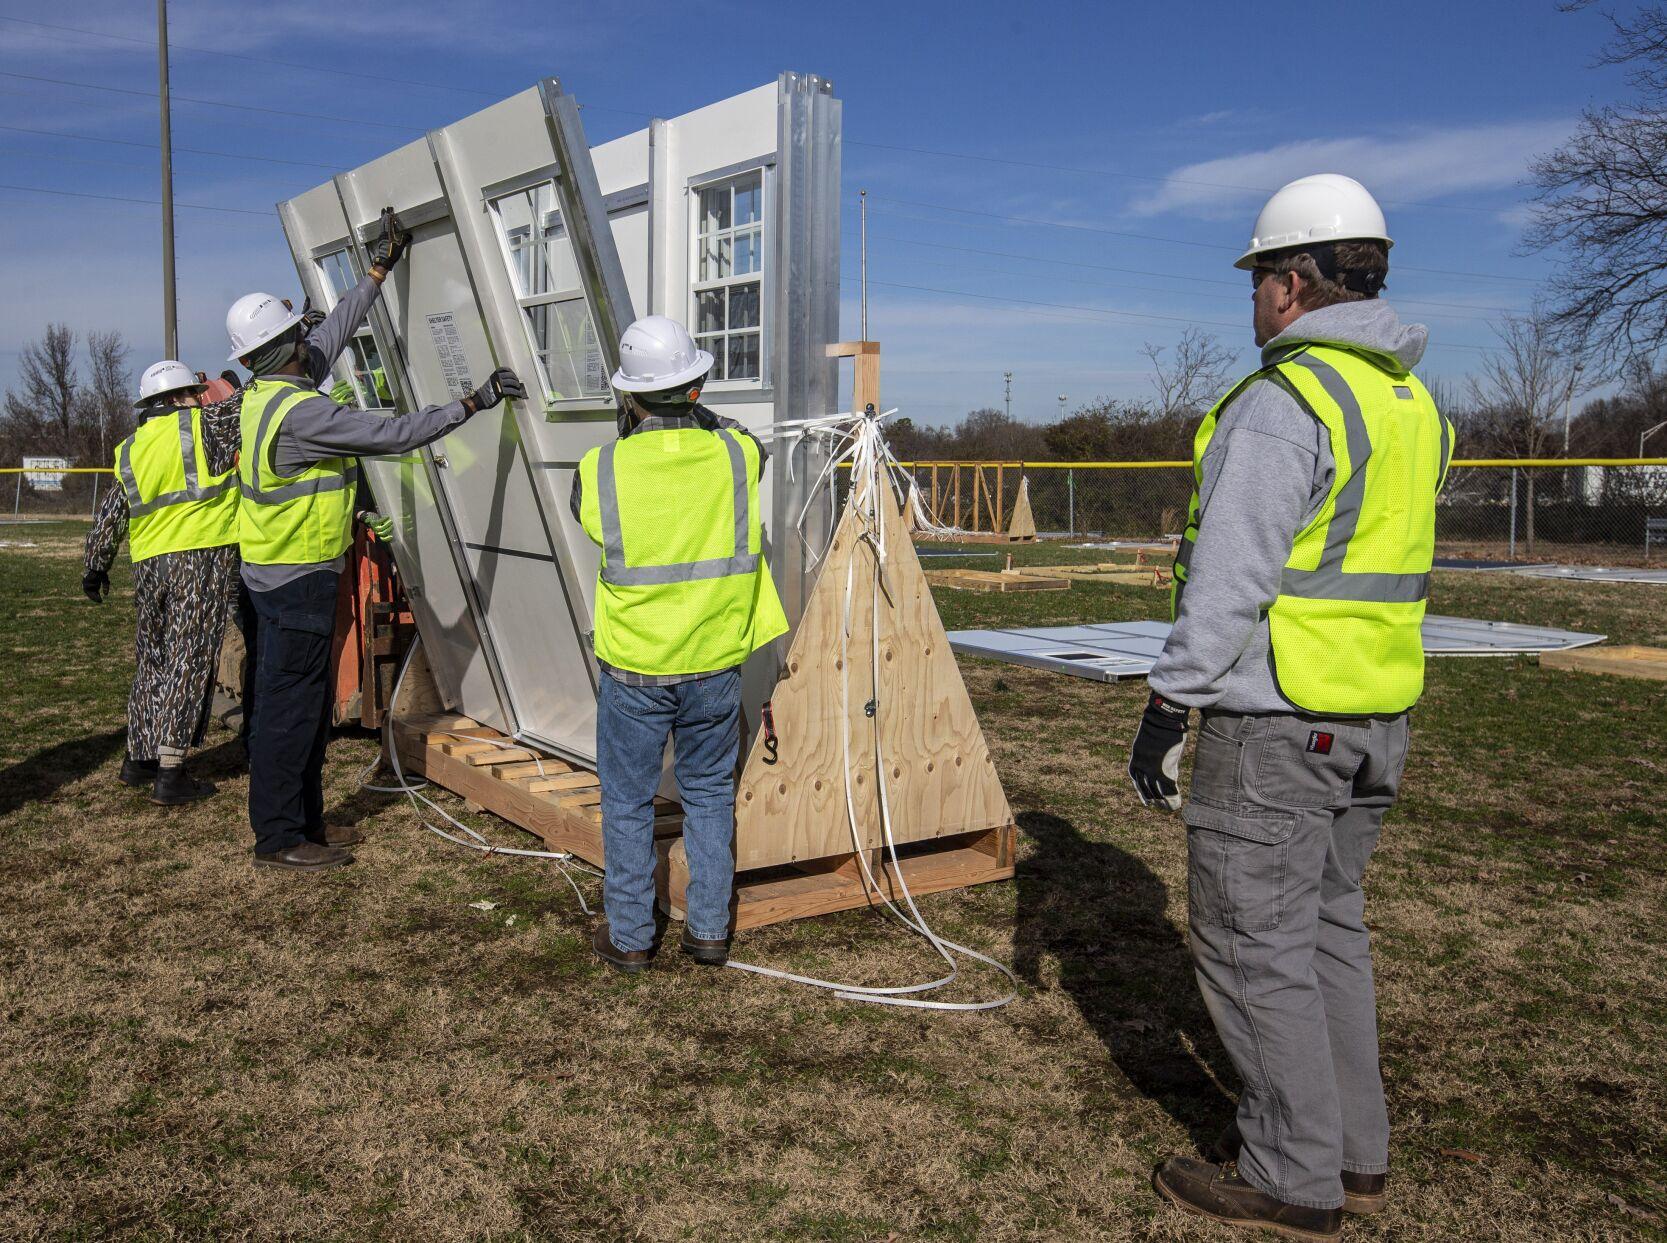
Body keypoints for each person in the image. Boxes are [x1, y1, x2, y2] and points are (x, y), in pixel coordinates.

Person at [1128, 174, 1454, 1240]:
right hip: (1373, 719)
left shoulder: (1284, 403)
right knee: (1323, 935)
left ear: (1295, 281)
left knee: (1249, 941)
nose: (1254, 298)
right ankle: (1354, 1158)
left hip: (1279, 721)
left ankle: (1288, 1173)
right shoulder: (1408, 403)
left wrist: (1168, 705)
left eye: (1260, 275)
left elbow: (1229, 576)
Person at [220, 208, 526, 872]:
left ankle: (296, 826)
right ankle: (281, 837)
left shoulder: (264, 395)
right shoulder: (304, 413)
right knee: (292, 712)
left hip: (270, 575)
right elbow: (394, 435)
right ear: (286, 348)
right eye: (299, 333)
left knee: (286, 704)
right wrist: (471, 404)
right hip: (297, 581)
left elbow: (332, 332)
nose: (310, 338)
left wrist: (377, 273)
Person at [571, 315, 787, 973]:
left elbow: (593, 523)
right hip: (713, 663)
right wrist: (697, 405)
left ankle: (632, 936)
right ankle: (711, 933)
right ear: (695, 385)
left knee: (629, 802)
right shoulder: (734, 454)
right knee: (709, 797)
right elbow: (749, 442)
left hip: (635, 664)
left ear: (628, 397)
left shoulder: (600, 466)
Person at [82, 360, 242, 804]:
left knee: (153, 659)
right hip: (200, 556)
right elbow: (251, 402)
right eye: (193, 393)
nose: (201, 398)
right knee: (187, 660)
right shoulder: (200, 427)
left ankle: (139, 758)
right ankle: (171, 771)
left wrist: (95, 565)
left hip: (149, 565)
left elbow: (112, 509)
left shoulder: (130, 447)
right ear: (174, 400)